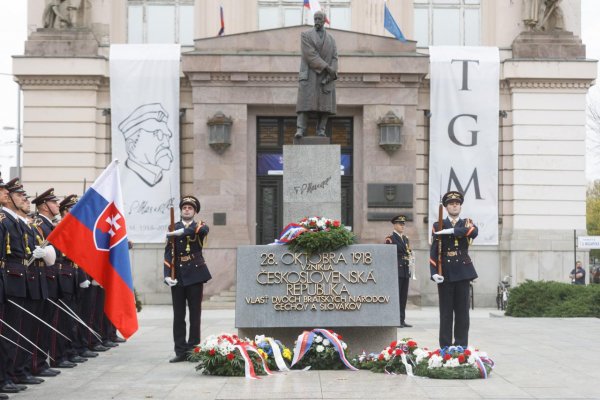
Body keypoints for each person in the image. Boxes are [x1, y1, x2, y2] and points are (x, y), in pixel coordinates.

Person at [164, 196, 212, 363]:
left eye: (190, 208)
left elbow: (203, 231)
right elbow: (168, 252)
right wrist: (166, 275)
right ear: (181, 210)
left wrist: (183, 232)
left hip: (195, 274)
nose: (187, 210)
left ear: (195, 211)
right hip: (177, 275)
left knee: (194, 315)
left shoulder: (200, 225)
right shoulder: (173, 227)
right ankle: (180, 351)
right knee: (178, 315)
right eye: (184, 207)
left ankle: (193, 349)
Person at [429, 191, 478, 349]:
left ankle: (461, 346)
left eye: (457, 203)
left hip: (463, 272)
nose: (454, 205)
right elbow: (434, 251)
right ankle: (445, 347)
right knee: (446, 313)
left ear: (460, 206)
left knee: (463, 313)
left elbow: (473, 232)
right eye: (451, 203)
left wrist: (452, 231)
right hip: (446, 273)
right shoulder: (438, 225)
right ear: (446, 207)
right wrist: (434, 272)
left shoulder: (467, 222)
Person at [295, 10, 338, 139]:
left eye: (319, 19)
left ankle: (321, 130)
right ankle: (300, 129)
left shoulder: (331, 39)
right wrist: (327, 67)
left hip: (326, 77)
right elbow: (309, 55)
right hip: (310, 74)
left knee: (325, 106)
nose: (317, 21)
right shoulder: (306, 35)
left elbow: (335, 57)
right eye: (315, 19)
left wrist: (332, 73)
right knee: (305, 104)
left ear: (324, 20)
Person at [385, 215, 413, 328]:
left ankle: (402, 319)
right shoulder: (390, 239)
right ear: (395, 225)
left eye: (403, 224)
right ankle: (395, 320)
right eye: (400, 224)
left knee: (403, 297)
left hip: (405, 270)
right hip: (396, 270)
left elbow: (408, 252)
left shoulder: (405, 238)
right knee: (396, 297)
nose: (402, 226)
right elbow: (389, 256)